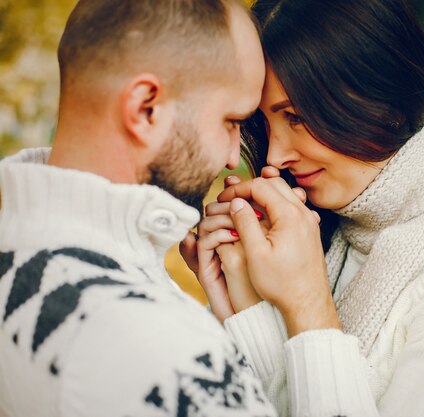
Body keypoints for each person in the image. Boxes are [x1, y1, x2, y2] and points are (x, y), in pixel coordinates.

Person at [0, 1, 377, 416]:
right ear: (146, 108)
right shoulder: (163, 352)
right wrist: (309, 304)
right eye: (231, 122)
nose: (237, 157)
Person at [182, 0, 424, 416]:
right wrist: (243, 303)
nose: (275, 157)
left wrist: (307, 303)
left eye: (297, 118)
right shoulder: (320, 231)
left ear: (380, 96)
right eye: (264, 125)